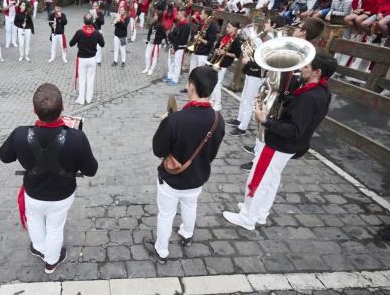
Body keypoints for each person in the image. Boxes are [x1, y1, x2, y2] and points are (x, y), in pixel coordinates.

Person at [223, 53, 337, 230]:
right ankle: (259, 213)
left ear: (318, 72)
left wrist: (266, 121)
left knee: (258, 179)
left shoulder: (309, 97)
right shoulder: (321, 91)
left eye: (306, 67)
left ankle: (247, 217)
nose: (301, 69)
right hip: (288, 147)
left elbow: (294, 130)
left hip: (279, 145)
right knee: (271, 180)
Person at [0, 83, 98, 273]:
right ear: (62, 109)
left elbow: (4, 157)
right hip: (62, 193)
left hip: (33, 192)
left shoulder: (20, 133)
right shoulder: (77, 137)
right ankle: (51, 260)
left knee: (34, 220)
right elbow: (91, 170)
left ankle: (40, 248)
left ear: (34, 111)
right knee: (55, 227)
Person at [144, 66, 225, 263]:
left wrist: (164, 123)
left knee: (166, 214)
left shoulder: (174, 120)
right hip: (198, 177)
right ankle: (187, 234)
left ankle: (161, 251)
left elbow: (158, 151)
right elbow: (211, 153)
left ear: (191, 87)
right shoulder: (218, 119)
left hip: (172, 179)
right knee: (191, 205)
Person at [239, 17, 326, 172]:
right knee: (262, 127)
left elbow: (298, 79)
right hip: (275, 91)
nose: (295, 30)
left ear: (303, 32)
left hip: (284, 97)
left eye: (298, 27)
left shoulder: (308, 55)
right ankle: (257, 155)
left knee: (268, 127)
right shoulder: (293, 48)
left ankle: (257, 162)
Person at [227, 15, 286, 137]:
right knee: (244, 97)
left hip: (258, 73)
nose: (265, 24)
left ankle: (242, 127)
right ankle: (239, 119)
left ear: (274, 25)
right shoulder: (265, 38)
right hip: (251, 71)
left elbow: (265, 61)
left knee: (249, 100)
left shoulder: (272, 41)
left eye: (268, 22)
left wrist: (249, 61)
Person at [69, 13, 105, 105]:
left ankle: (81, 99)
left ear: (84, 21)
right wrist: (101, 35)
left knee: (82, 79)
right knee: (90, 79)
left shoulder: (79, 32)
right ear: (92, 21)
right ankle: (89, 99)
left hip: (82, 59)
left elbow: (71, 43)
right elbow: (102, 44)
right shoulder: (96, 33)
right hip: (92, 59)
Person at [208, 22, 241, 111]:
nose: (227, 29)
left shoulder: (236, 40)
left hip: (224, 63)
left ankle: (218, 104)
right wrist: (217, 50)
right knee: (213, 82)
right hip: (216, 60)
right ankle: (212, 100)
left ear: (234, 28)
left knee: (217, 83)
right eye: (227, 27)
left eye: (229, 27)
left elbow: (236, 55)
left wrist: (225, 52)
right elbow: (217, 46)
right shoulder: (224, 37)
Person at [186, 8, 217, 84]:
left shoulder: (213, 27)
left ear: (206, 15)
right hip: (196, 50)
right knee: (192, 70)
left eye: (202, 13)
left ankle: (198, 90)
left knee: (199, 73)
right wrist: (195, 37)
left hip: (203, 53)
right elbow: (196, 34)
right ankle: (189, 87)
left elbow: (210, 43)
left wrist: (200, 39)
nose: (200, 15)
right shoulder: (201, 24)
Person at [164, 10, 191, 86]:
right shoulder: (179, 24)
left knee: (177, 64)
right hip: (173, 45)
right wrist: (170, 36)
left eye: (178, 14)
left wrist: (174, 46)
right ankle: (170, 75)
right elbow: (173, 34)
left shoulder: (186, 26)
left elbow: (182, 40)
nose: (177, 15)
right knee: (170, 62)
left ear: (182, 15)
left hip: (179, 48)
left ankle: (175, 79)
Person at [90, 2, 105, 66]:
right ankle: (92, 59)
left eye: (96, 6)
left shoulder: (100, 13)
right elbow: (87, 22)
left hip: (98, 30)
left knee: (98, 47)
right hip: (91, 31)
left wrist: (97, 18)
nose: (95, 7)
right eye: (94, 6)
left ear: (98, 7)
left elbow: (102, 22)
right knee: (91, 46)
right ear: (92, 7)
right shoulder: (90, 13)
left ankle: (98, 61)